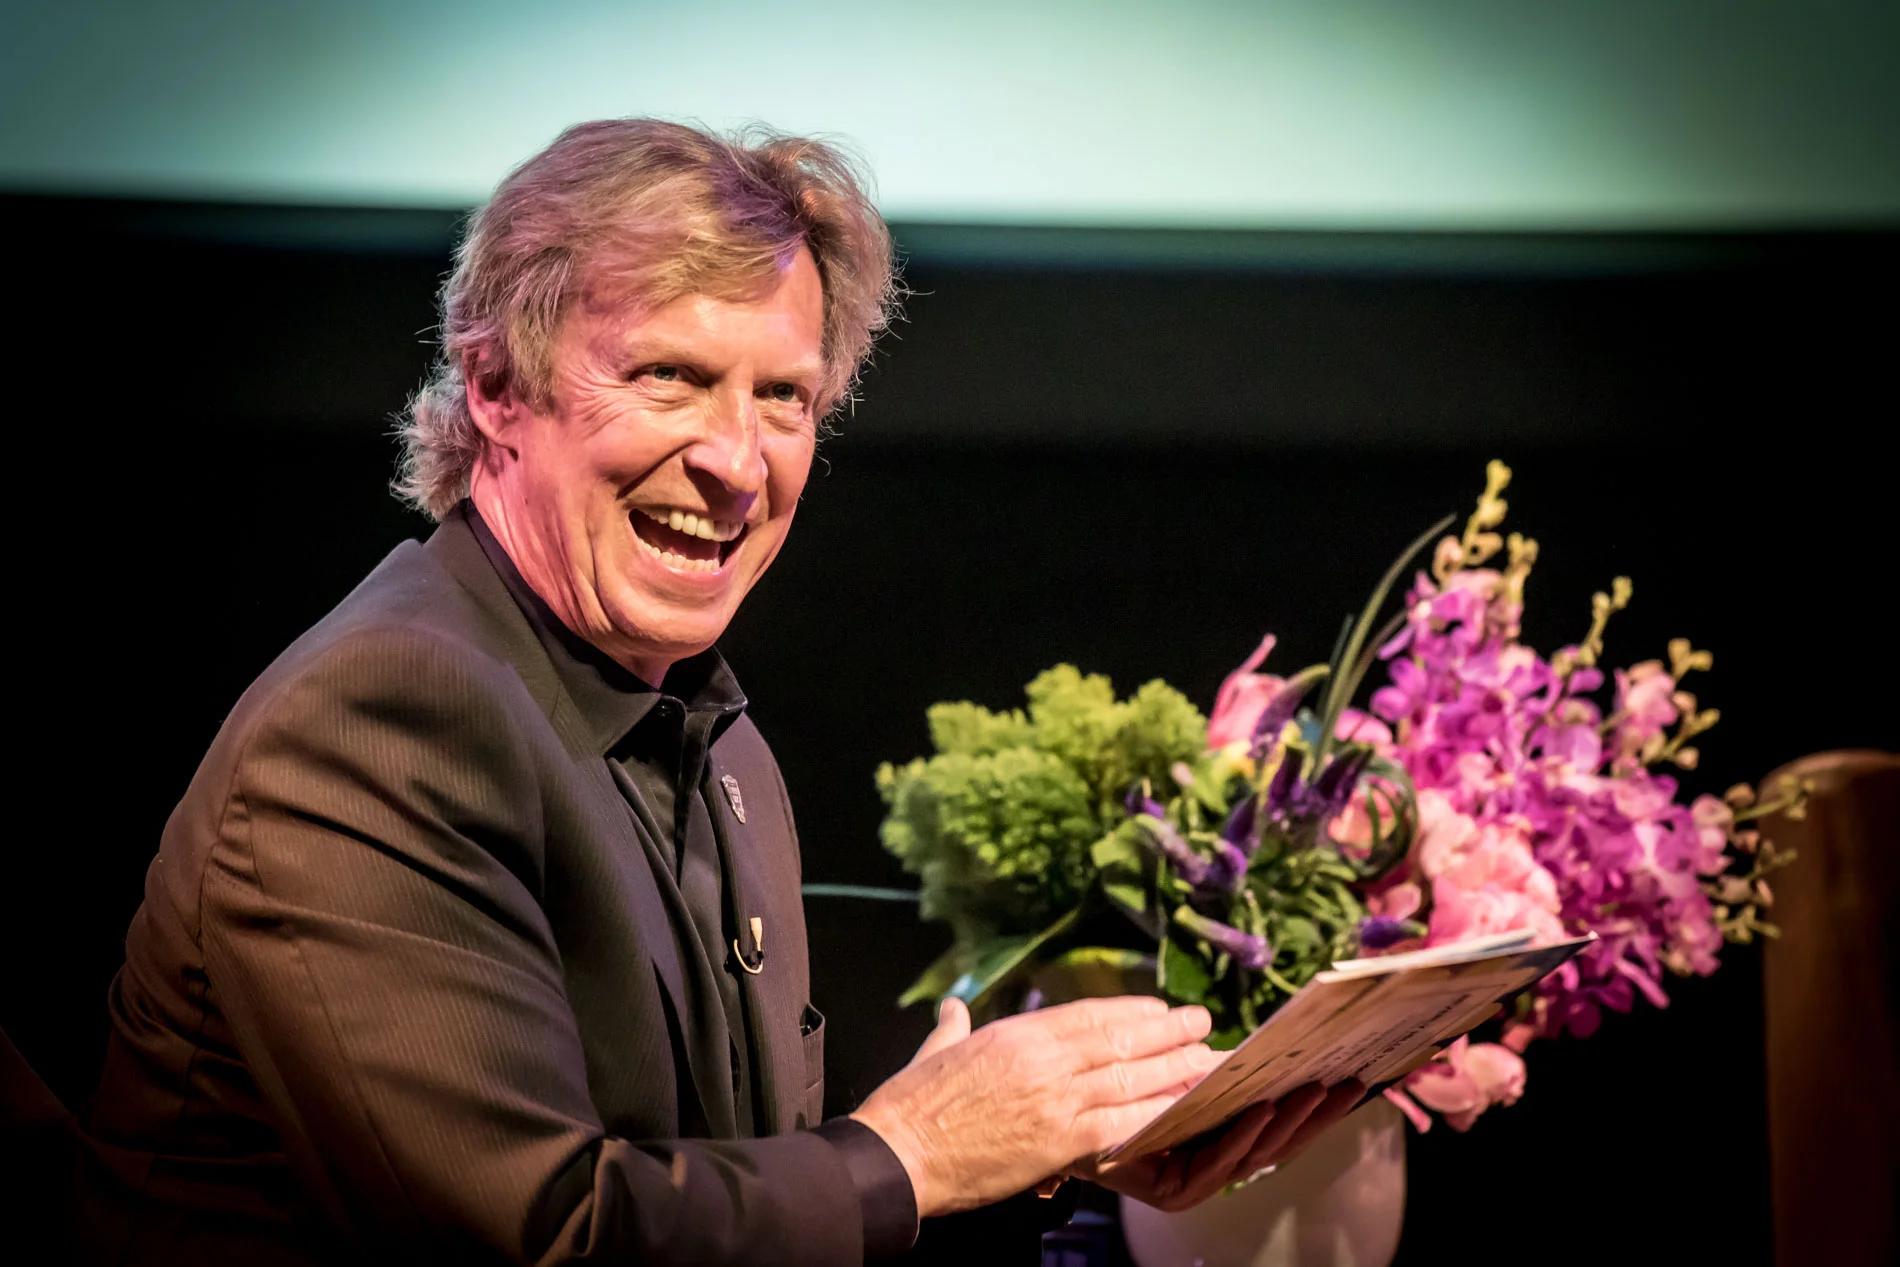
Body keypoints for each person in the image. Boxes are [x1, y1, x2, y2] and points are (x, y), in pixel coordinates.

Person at [68, 119, 1362, 1266]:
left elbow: (732, 1211)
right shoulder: (383, 717)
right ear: (498, 389)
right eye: (670, 378)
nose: (738, 463)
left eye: (783, 397)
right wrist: (914, 1153)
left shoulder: (713, 742)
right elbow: (540, 1238)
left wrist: (1029, 1149)